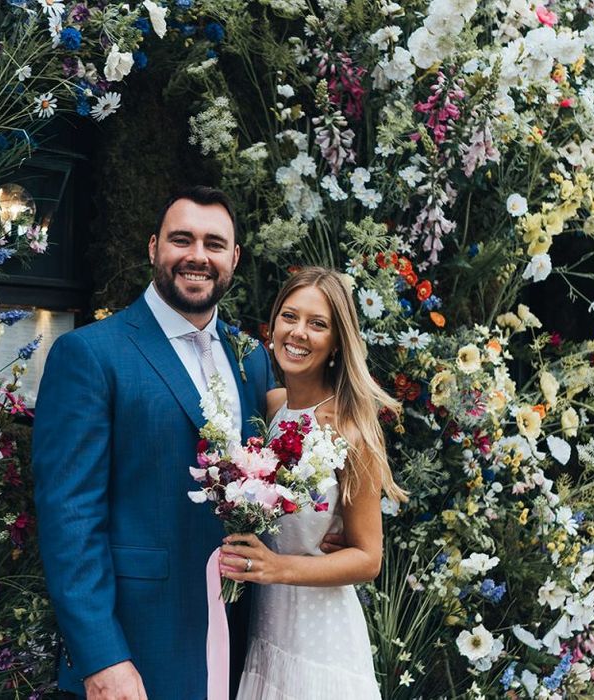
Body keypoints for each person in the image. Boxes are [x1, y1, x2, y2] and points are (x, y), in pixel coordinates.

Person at [32, 186, 275, 699]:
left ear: (233, 258)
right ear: (153, 248)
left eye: (214, 244)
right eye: (180, 239)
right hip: (140, 645)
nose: (197, 256)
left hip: (240, 637)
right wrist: (102, 656)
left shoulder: (251, 358)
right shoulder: (91, 355)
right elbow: (69, 516)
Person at [219, 266, 408, 699]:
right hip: (267, 627)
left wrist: (276, 568)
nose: (298, 332)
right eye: (289, 316)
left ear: (337, 341)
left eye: (317, 323)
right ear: (272, 326)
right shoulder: (272, 406)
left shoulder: (350, 428)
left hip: (320, 637)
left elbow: (368, 559)